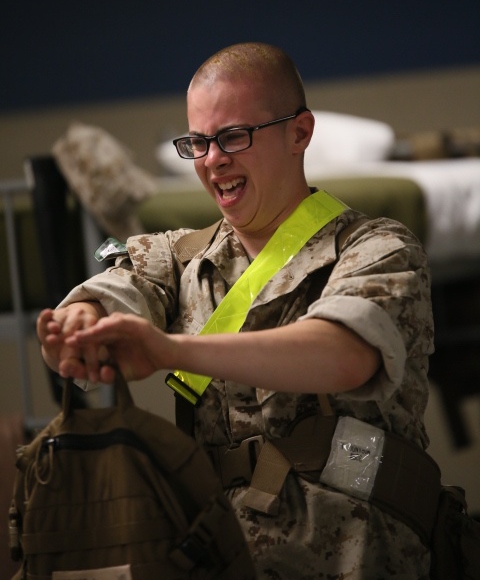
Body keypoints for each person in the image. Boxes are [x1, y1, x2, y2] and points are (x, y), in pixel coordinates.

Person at [38, 42, 435, 579]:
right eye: (197, 142)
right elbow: (122, 286)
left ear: (299, 133)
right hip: (221, 549)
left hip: (354, 549)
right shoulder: (180, 256)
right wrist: (82, 321)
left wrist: (170, 350)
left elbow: (344, 353)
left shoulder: (377, 249)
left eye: (233, 136)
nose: (212, 159)